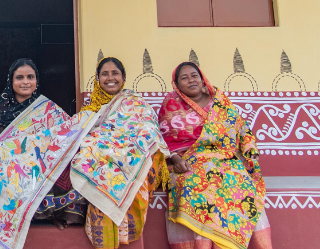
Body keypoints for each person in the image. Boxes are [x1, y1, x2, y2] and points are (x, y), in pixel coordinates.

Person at [159, 62, 273, 249]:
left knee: (239, 182)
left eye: (194, 75)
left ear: (202, 77)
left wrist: (249, 154)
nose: (191, 80)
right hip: (189, 160)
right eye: (184, 78)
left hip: (225, 159)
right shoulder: (171, 104)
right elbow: (164, 140)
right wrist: (176, 159)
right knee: (193, 185)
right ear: (176, 84)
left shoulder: (219, 99)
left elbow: (241, 127)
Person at [0, 58, 87, 229]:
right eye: (19, 78)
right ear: (11, 80)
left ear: (37, 80)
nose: (25, 82)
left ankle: (55, 212)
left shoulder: (46, 107)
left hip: (39, 157)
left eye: (30, 77)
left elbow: (65, 131)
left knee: (66, 160)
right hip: (13, 159)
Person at [79, 57, 168, 249]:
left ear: (123, 77)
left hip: (131, 158)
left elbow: (150, 131)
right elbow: (82, 137)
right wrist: (106, 148)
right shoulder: (90, 108)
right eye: (104, 74)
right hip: (102, 159)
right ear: (97, 78)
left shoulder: (137, 103)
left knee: (137, 163)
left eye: (115, 73)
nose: (110, 78)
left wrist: (124, 150)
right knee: (98, 168)